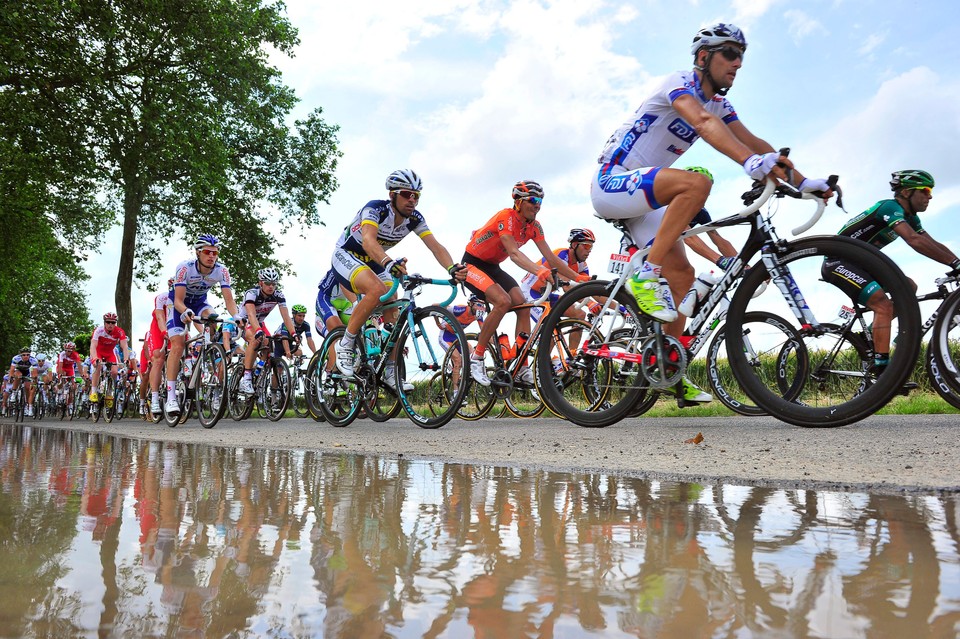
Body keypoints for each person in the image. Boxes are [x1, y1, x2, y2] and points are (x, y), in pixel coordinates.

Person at [590, 23, 832, 326]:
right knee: (696, 183)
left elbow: (753, 142)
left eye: (741, 56)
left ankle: (664, 369)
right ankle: (646, 275)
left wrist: (802, 181)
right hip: (612, 181)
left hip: (644, 199)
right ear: (703, 57)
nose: (738, 63)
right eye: (730, 53)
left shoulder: (719, 104)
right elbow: (702, 122)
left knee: (681, 276)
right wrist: (749, 162)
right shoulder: (677, 82)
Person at [330, 169, 466, 394]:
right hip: (349, 254)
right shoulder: (375, 209)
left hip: (374, 261)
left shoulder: (414, 219)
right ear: (392, 195)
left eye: (416, 195)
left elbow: (435, 246)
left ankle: (391, 370)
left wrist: (452, 268)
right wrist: (387, 261)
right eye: (406, 194)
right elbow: (367, 241)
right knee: (376, 289)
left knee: (393, 306)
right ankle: (346, 342)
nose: (412, 200)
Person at [825, 170, 960, 376]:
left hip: (862, 264)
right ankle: (883, 370)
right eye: (925, 190)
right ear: (906, 192)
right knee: (883, 305)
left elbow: (931, 242)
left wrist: (957, 263)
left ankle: (871, 334)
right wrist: (954, 264)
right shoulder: (889, 207)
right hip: (837, 262)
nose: (930, 196)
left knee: (909, 287)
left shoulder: (910, 217)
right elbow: (914, 240)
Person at [462, 180, 590, 387]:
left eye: (540, 201)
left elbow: (551, 257)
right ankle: (476, 357)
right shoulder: (506, 217)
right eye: (533, 200)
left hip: (493, 267)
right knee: (503, 301)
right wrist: (540, 270)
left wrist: (578, 279)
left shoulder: (534, 226)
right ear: (518, 201)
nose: (538, 205)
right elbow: (513, 254)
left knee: (522, 305)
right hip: (472, 264)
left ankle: (521, 366)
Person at [164, 234, 241, 416]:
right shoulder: (184, 268)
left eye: (215, 252)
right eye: (207, 252)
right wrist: (185, 311)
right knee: (177, 345)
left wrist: (236, 316)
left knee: (213, 318)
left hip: (200, 303)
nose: (212, 256)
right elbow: (178, 300)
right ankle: (171, 397)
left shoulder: (222, 271)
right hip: (178, 305)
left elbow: (229, 300)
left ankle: (211, 359)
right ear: (198, 253)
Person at [237, 267, 298, 395]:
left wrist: (294, 334)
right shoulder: (252, 293)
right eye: (267, 283)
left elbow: (286, 318)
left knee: (270, 345)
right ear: (260, 283)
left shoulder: (278, 295)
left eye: (274, 284)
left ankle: (258, 370)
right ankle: (247, 377)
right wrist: (258, 331)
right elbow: (251, 315)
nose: (271, 287)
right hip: (245, 322)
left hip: (259, 323)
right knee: (256, 339)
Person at [438, 295, 487, 391]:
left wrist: (496, 346)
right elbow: (438, 307)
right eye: (478, 305)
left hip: (458, 336)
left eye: (482, 305)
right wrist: (438, 323)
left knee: (474, 354)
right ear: (471, 304)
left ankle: (463, 376)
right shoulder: (459, 309)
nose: (481, 308)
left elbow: (485, 333)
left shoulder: (478, 316)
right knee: (458, 360)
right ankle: (456, 393)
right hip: (445, 337)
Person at [90, 312, 130, 408]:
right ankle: (94, 392)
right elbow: (93, 346)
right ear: (104, 322)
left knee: (115, 372)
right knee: (98, 366)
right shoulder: (98, 331)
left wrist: (126, 360)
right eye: (108, 322)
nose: (110, 325)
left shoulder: (119, 331)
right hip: (98, 352)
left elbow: (124, 346)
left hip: (109, 353)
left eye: (113, 323)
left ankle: (108, 393)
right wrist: (95, 358)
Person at [56, 341, 87, 413]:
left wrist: (82, 374)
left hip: (70, 368)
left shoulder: (76, 355)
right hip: (62, 368)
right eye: (66, 350)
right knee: (62, 377)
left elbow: (79, 366)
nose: (67, 352)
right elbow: (60, 365)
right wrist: (60, 374)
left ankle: (70, 404)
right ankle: (60, 392)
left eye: (69, 351)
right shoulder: (62, 354)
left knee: (74, 386)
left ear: (73, 350)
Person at [7, 347, 37, 416]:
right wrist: (11, 377)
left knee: (27, 387)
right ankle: (14, 393)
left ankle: (26, 404)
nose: (26, 356)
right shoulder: (16, 358)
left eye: (27, 355)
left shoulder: (33, 360)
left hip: (26, 372)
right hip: (18, 370)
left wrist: (33, 381)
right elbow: (12, 370)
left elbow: (35, 373)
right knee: (18, 375)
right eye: (24, 355)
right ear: (20, 355)